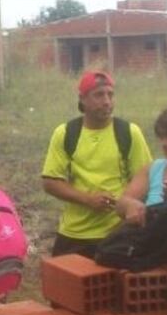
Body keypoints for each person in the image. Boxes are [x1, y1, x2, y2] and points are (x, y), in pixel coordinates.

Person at [41, 72, 152, 258]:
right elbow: (50, 182)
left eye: (110, 94)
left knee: (117, 287)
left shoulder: (129, 132)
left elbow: (146, 176)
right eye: (99, 95)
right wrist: (88, 199)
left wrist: (126, 204)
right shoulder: (66, 133)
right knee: (65, 284)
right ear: (82, 100)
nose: (107, 101)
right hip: (75, 233)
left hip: (118, 233)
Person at [117, 106, 167, 226]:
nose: (164, 143)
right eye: (161, 138)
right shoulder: (153, 169)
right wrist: (130, 205)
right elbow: (122, 202)